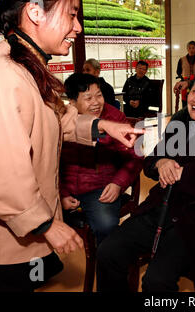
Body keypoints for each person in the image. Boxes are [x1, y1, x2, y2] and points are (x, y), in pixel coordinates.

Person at [0, 0, 143, 292]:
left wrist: (103, 126)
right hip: (2, 246)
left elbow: (58, 118)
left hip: (23, 239)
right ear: (35, 13)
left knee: (34, 283)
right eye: (72, 15)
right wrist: (47, 224)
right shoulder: (3, 78)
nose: (78, 27)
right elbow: (5, 178)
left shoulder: (27, 66)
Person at [96, 73, 195, 292]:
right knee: (107, 251)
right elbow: (149, 162)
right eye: (194, 91)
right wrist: (161, 163)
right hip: (158, 209)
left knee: (156, 281)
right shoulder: (179, 124)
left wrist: (183, 174)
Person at [61, 73, 143, 246]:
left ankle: (106, 264)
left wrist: (118, 184)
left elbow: (134, 157)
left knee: (106, 225)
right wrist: (62, 193)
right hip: (65, 187)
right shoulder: (61, 121)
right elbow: (49, 164)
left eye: (99, 95)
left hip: (100, 188)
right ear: (73, 102)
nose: (96, 102)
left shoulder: (114, 118)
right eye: (88, 98)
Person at [176, 40, 195, 108]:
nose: (191, 50)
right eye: (189, 48)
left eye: (193, 48)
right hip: (184, 84)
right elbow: (178, 72)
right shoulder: (182, 59)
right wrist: (182, 79)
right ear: (187, 49)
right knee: (185, 101)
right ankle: (185, 116)